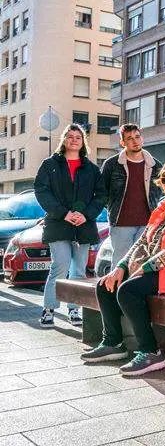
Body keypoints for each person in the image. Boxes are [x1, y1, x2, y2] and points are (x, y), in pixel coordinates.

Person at [81, 160, 165, 375]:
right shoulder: (162, 208)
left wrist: (146, 268)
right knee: (106, 284)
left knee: (128, 290)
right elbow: (141, 242)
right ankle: (114, 343)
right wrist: (120, 266)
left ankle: (151, 352)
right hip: (149, 266)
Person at [34, 124, 106, 328]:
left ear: (83, 142)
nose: (74, 140)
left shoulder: (91, 168)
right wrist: (63, 213)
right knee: (60, 266)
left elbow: (100, 195)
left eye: (78, 137)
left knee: (79, 271)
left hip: (83, 226)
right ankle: (49, 309)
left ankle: (74, 310)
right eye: (70, 137)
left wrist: (87, 215)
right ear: (64, 140)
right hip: (58, 224)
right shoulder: (50, 164)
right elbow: (41, 191)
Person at [100, 123, 162, 274]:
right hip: (120, 224)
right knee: (119, 265)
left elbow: (162, 192)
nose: (135, 141)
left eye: (137, 137)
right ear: (122, 142)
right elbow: (101, 192)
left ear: (142, 138)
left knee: (140, 266)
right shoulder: (112, 165)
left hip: (147, 225)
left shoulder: (155, 165)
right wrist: (112, 209)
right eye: (129, 138)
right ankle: (114, 295)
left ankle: (132, 296)